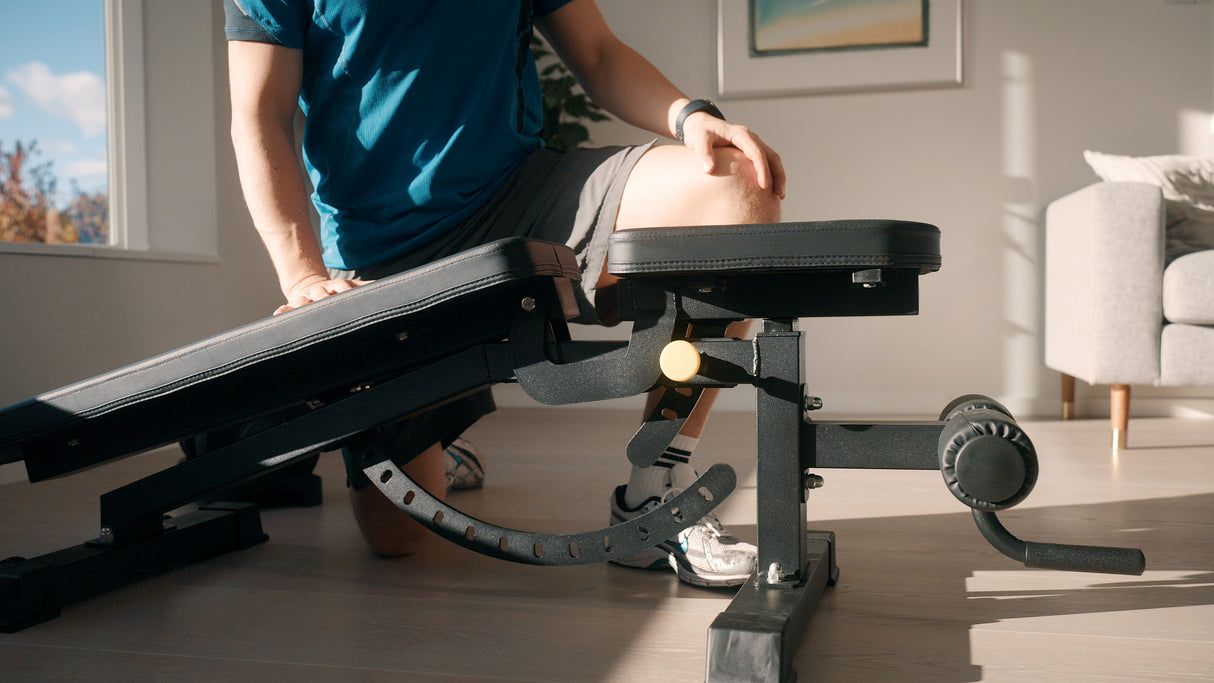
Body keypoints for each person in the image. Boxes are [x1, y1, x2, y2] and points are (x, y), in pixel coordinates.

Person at [224, 0, 785, 588]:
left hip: (517, 200)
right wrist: (303, 277)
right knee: (398, 537)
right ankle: (442, 443)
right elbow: (259, 115)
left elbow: (596, 52)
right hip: (380, 256)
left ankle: (656, 488)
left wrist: (689, 115)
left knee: (735, 192)